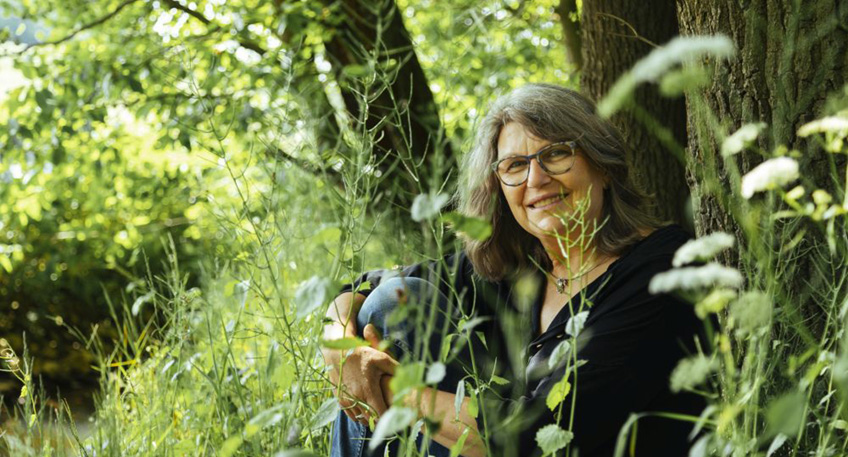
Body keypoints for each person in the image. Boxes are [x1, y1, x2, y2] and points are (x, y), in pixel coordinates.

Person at [321, 83, 707, 457]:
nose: (536, 179)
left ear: (603, 165)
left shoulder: (661, 272)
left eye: (556, 153)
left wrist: (386, 390)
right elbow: (363, 285)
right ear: (499, 187)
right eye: (516, 165)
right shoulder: (519, 264)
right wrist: (340, 347)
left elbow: (534, 438)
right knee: (395, 301)